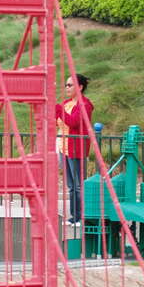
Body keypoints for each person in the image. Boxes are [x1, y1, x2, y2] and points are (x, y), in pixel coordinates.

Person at [56, 74, 94, 226]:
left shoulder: (85, 105)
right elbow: (58, 121)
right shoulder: (66, 103)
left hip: (76, 148)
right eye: (66, 85)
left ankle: (81, 216)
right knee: (71, 186)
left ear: (80, 87)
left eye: (70, 85)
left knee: (78, 185)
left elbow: (72, 122)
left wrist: (58, 110)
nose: (67, 88)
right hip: (63, 147)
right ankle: (74, 216)